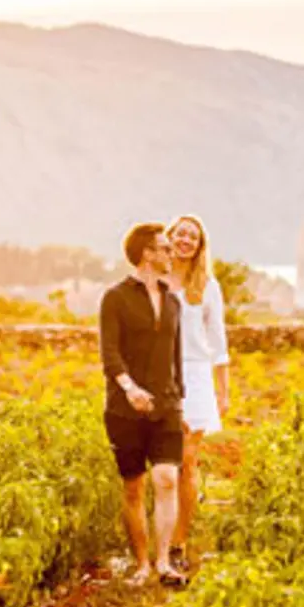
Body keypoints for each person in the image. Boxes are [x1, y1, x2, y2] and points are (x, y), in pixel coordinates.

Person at [99, 222, 187, 587]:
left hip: (166, 405)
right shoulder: (115, 298)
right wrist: (130, 388)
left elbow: (175, 355)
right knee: (133, 488)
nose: (172, 253)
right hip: (124, 408)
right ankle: (141, 565)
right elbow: (110, 353)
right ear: (147, 254)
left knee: (166, 478)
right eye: (165, 248)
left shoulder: (173, 300)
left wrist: (179, 396)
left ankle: (164, 562)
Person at [164, 213, 230, 571]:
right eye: (181, 234)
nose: (186, 240)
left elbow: (218, 341)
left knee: (187, 463)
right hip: (159, 376)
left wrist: (223, 390)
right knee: (161, 466)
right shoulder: (155, 281)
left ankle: (179, 542)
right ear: (170, 237)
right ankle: (160, 538)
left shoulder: (207, 286)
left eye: (194, 237)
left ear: (200, 246)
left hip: (196, 375)